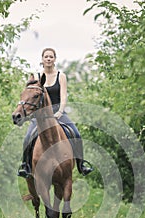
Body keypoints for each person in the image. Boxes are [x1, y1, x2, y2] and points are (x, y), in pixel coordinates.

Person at [18, 47, 93, 178]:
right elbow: (29, 96)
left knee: (76, 134)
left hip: (58, 113)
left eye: (51, 57)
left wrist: (59, 112)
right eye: (46, 56)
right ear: (42, 60)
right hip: (40, 116)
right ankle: (26, 166)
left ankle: (81, 165)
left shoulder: (61, 76)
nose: (48, 59)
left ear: (54, 59)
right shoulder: (36, 77)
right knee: (28, 137)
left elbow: (63, 97)